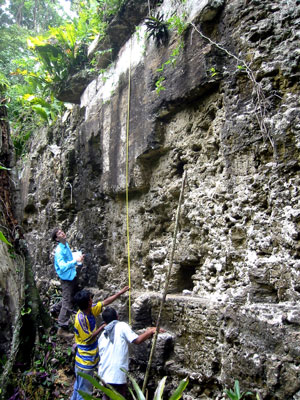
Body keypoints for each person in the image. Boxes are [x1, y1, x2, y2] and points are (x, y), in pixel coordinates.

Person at [71, 286, 130, 400]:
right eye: (90, 299)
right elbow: (88, 338)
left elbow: (105, 302)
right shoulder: (81, 319)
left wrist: (120, 292)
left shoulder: (90, 310)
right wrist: (103, 327)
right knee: (85, 392)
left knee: (78, 387)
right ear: (87, 303)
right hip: (85, 362)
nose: (92, 300)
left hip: (87, 360)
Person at [98, 307, 165, 399]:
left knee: (107, 396)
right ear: (117, 317)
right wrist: (150, 331)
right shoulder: (121, 326)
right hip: (116, 374)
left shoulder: (102, 335)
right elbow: (137, 340)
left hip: (104, 373)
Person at [51, 227, 84, 338]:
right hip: (66, 278)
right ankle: (62, 328)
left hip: (72, 275)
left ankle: (55, 310)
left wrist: (77, 258)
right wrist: (75, 261)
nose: (62, 233)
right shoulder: (59, 251)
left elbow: (69, 258)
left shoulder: (65, 245)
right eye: (59, 233)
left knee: (71, 297)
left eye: (62, 231)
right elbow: (62, 266)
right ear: (56, 239)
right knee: (68, 301)